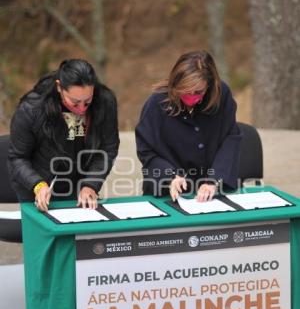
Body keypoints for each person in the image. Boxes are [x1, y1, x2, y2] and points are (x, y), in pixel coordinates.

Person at [8, 59, 119, 211]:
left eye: (87, 101)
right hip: (37, 186)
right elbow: (17, 157)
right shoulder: (32, 109)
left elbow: (108, 148)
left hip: (79, 182)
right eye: (75, 102)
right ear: (59, 87)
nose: (81, 109)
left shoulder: (105, 102)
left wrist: (91, 184)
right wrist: (37, 185)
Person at [135, 50, 242, 202]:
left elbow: (231, 138)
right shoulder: (156, 103)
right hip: (167, 193)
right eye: (185, 91)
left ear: (210, 85)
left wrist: (214, 179)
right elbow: (146, 151)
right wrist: (169, 176)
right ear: (175, 83)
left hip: (211, 192)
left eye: (198, 91)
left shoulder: (221, 96)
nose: (191, 97)